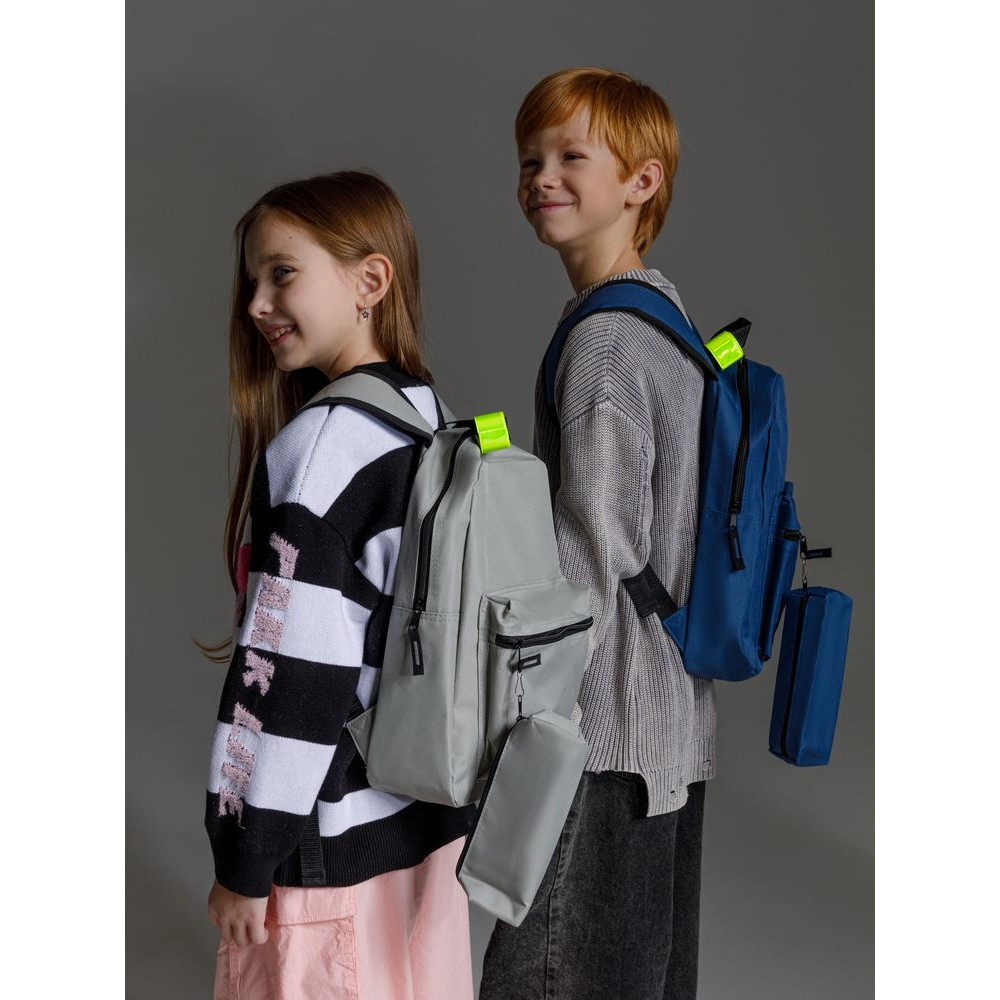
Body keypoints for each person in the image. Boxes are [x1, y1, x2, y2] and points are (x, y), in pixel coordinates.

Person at [201, 170, 475, 1000]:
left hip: (327, 849)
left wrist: (245, 858)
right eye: (252, 280)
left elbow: (293, 677)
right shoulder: (430, 419)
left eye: (282, 273)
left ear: (370, 281)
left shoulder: (324, 448)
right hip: (429, 835)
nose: (257, 303)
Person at [478, 68, 714, 1000]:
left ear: (642, 182)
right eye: (529, 159)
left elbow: (593, 557)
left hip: (598, 726)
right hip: (673, 721)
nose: (542, 176)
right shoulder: (668, 317)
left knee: (552, 976)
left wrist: (521, 706)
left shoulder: (604, 344)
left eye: (572, 156)